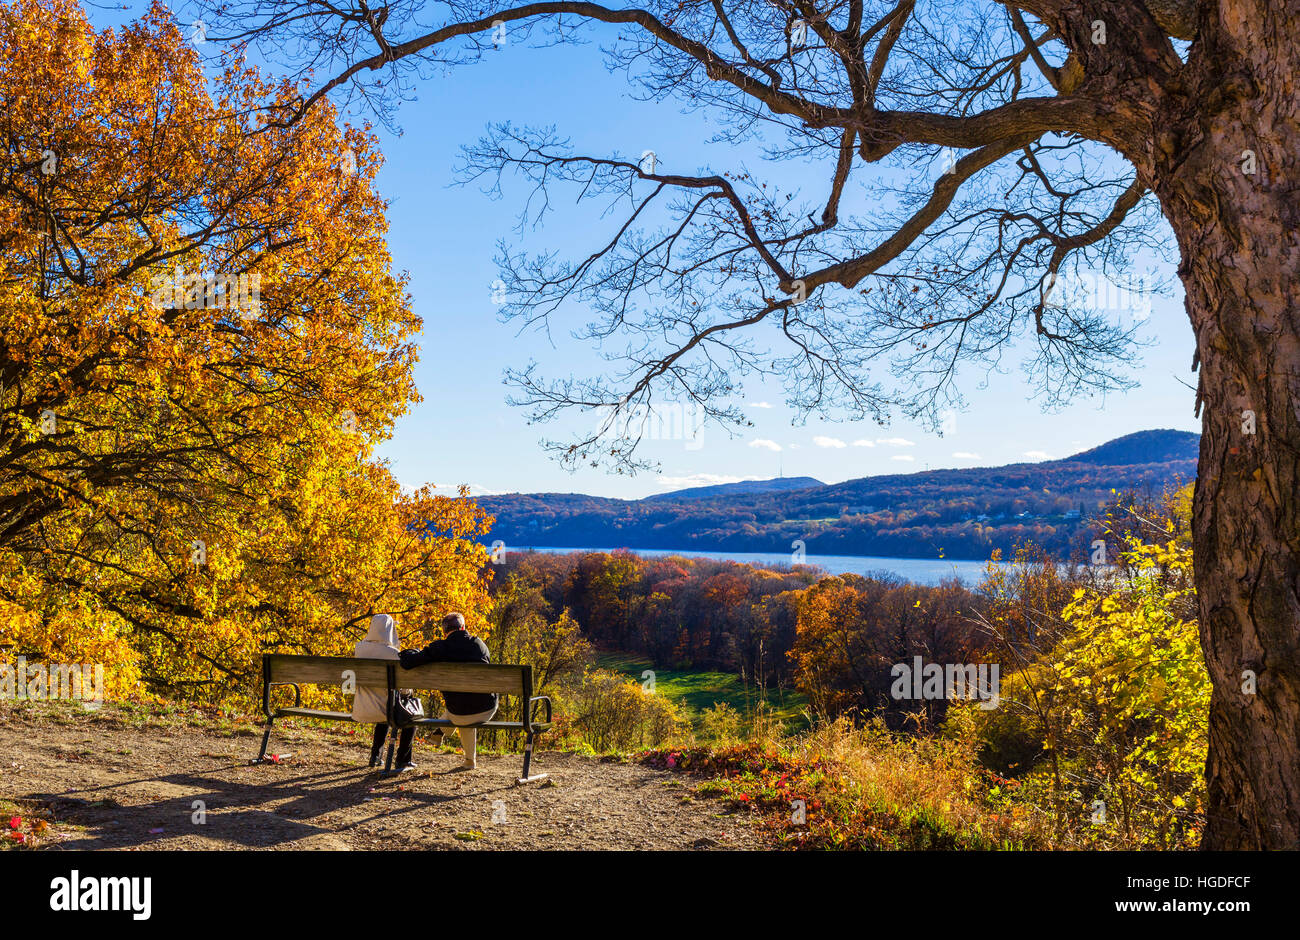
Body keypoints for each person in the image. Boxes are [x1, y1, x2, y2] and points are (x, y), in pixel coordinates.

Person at [399, 612, 497, 770]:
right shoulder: (480, 645)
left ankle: (439, 733)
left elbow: (408, 663)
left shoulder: (440, 648)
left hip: (458, 712)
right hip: (486, 709)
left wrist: (410, 652)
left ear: (445, 631)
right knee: (469, 703)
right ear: (463, 627)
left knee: (461, 707)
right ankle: (467, 759)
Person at [352, 613, 416, 772]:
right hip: (385, 710)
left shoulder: (358, 649)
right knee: (411, 715)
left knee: (384, 706)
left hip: (361, 708)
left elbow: (350, 680)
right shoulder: (394, 654)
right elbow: (403, 688)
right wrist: (408, 693)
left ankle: (375, 756)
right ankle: (402, 760)